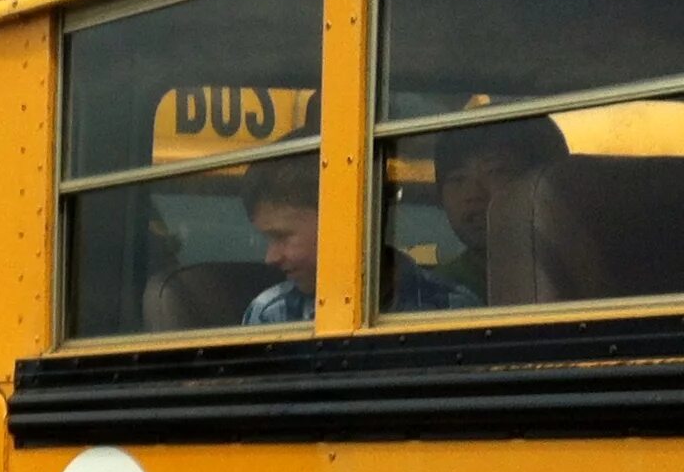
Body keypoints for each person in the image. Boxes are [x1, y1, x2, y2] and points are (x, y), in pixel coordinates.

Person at [242, 157, 479, 323]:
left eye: (281, 236)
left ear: (341, 222)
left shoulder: (452, 307)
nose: (270, 257)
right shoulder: (271, 313)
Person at [433, 114, 568, 300]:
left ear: (547, 181)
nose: (472, 194)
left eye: (495, 171)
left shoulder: (584, 268)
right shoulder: (435, 294)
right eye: (457, 179)